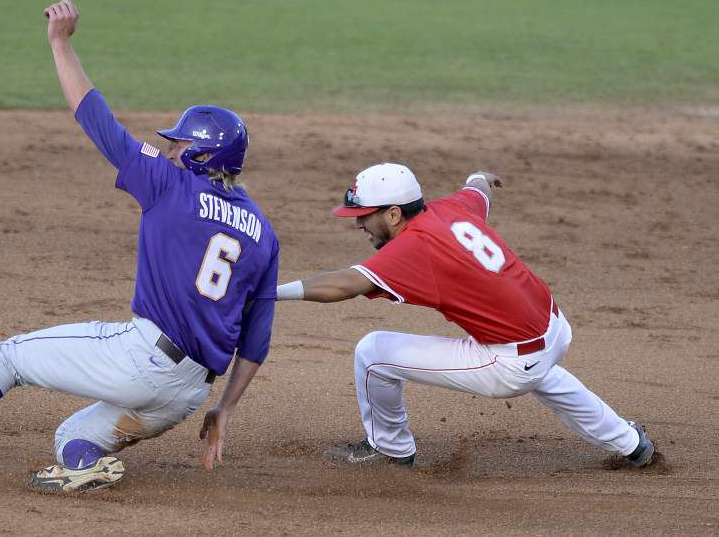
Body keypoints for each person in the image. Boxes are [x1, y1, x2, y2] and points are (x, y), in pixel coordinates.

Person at [0, 0, 280, 494]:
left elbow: (95, 117)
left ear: (202, 154)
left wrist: (61, 43)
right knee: (73, 435)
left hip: (143, 361)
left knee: (7, 358)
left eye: (179, 146)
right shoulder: (264, 232)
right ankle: (88, 465)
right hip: (186, 395)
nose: (168, 150)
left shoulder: (168, 184)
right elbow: (256, 344)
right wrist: (224, 408)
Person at [275, 163, 655, 468]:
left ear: (393, 214)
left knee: (372, 353)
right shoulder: (450, 208)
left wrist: (270, 293)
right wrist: (480, 176)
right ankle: (630, 442)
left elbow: (343, 284)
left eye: (364, 215)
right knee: (543, 371)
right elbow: (478, 190)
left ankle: (389, 450)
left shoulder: (413, 248)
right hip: (554, 328)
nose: (358, 223)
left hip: (510, 361)